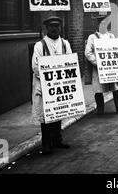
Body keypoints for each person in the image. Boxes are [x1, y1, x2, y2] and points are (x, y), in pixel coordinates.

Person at [32, 16, 72, 155]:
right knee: (46, 116)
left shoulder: (65, 44)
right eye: (51, 26)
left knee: (59, 112)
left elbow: (69, 63)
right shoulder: (40, 45)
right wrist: (50, 78)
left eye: (57, 26)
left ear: (60, 28)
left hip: (60, 86)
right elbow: (35, 67)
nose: (55, 29)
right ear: (47, 28)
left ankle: (57, 140)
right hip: (44, 86)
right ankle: (46, 143)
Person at [85, 12, 118, 115]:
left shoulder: (111, 36)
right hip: (99, 69)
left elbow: (116, 50)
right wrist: (98, 63)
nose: (103, 26)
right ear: (98, 25)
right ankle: (100, 110)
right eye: (101, 24)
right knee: (99, 89)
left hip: (112, 68)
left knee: (116, 87)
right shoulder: (92, 37)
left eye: (105, 24)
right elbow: (88, 53)